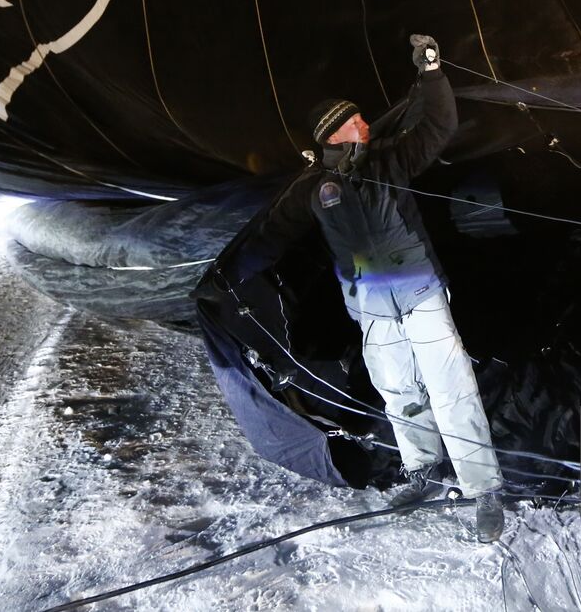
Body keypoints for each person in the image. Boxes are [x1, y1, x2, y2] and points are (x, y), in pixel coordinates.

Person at [215, 34, 505, 542]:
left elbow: (439, 125)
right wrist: (229, 276)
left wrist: (432, 73)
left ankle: (484, 491)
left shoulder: (390, 160)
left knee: (451, 388)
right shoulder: (310, 190)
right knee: (399, 393)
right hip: (371, 307)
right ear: (335, 135)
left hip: (421, 296)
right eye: (357, 122)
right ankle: (423, 469)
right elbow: (272, 236)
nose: (367, 125)